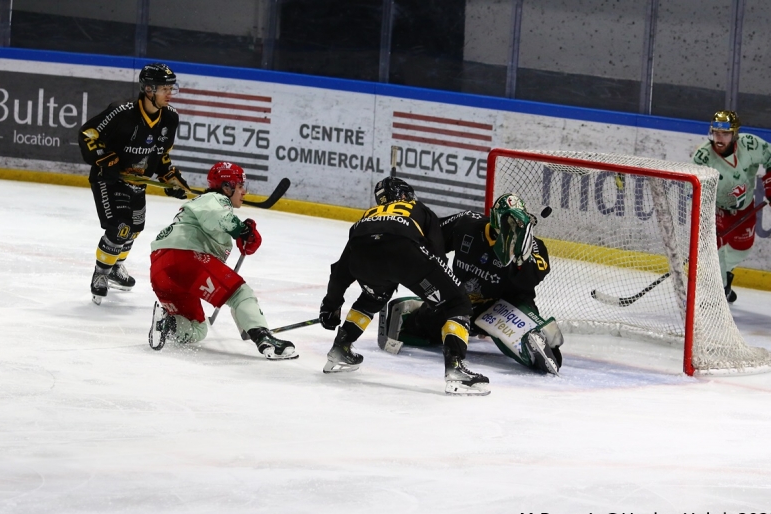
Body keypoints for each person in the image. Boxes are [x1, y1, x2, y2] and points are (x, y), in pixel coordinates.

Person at [319, 176, 490, 396]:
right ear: (402, 195)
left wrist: (331, 305)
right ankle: (456, 369)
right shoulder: (418, 208)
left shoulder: (367, 216)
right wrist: (443, 288)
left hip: (364, 258)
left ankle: (340, 348)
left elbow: (341, 270)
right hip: (407, 256)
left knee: (373, 297)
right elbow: (436, 252)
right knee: (458, 304)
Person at [380, 194, 564, 375]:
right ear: (495, 218)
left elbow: (529, 282)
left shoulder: (535, 247)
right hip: (462, 303)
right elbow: (432, 236)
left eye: (517, 223)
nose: (512, 227)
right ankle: (418, 309)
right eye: (508, 221)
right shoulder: (466, 224)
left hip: (503, 307)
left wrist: (522, 260)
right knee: (417, 330)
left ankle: (535, 335)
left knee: (525, 341)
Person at [148, 161, 297, 360]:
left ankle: (169, 323)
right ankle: (265, 340)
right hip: (184, 259)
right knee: (240, 293)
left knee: (197, 329)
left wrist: (242, 237)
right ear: (227, 187)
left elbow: (214, 234)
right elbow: (216, 217)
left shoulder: (205, 204)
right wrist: (242, 230)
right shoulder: (215, 200)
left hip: (161, 270)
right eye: (240, 186)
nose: (244, 192)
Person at [78, 63, 189, 305]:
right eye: (165, 88)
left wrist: (170, 178)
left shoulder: (170, 118)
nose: (170, 93)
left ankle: (116, 266)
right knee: (120, 228)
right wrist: (104, 160)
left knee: (135, 229)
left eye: (172, 88)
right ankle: (101, 273)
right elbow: (88, 134)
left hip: (137, 183)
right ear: (149, 89)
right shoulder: (122, 112)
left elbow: (160, 156)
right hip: (109, 179)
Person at [692, 110, 771, 303]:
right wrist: (704, 218)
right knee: (714, 251)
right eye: (716, 133)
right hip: (716, 210)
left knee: (743, 248)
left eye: (724, 134)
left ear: (734, 134)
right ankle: (720, 286)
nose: (719, 138)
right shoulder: (702, 157)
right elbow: (693, 190)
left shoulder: (750, 144)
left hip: (745, 209)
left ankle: (724, 274)